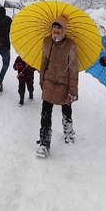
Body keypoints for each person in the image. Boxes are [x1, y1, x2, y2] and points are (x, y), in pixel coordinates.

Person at [36, 15, 78, 158]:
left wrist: (72, 90)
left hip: (64, 84)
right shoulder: (47, 42)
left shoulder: (70, 45)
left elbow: (73, 70)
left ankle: (68, 133)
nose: (56, 30)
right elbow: (43, 63)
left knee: (67, 111)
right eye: (54, 27)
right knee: (45, 113)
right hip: (49, 81)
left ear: (64, 29)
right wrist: (42, 81)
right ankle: (44, 143)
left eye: (59, 27)